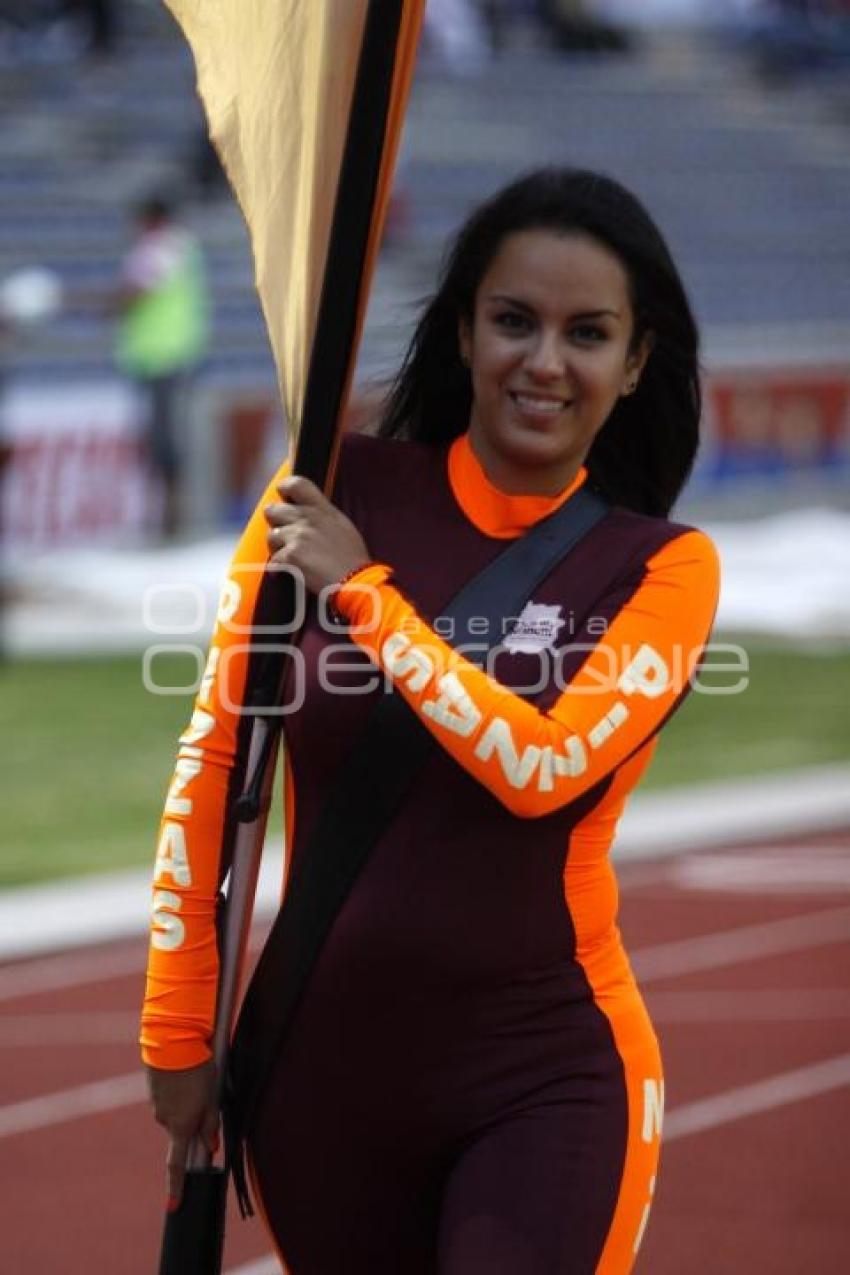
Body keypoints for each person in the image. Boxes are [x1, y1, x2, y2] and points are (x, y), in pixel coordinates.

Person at [142, 167, 719, 1273]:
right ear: (463, 332)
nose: (544, 362)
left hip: (543, 1079)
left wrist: (365, 597)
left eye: (587, 333)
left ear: (636, 363)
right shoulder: (325, 491)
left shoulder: (663, 569)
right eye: (513, 321)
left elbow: (538, 765)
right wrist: (175, 1025)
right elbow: (216, 759)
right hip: (317, 1077)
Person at [115, 192, 208, 538]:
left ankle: (169, 519)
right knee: (163, 439)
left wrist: (102, 304)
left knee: (164, 441)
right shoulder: (183, 247)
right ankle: (168, 517)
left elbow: (135, 291)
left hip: (163, 357)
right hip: (169, 354)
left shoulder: (164, 247)